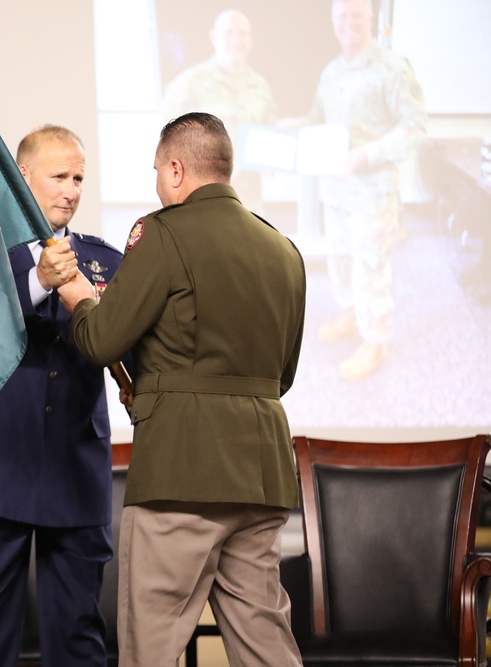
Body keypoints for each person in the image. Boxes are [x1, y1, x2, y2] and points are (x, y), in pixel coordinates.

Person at [58, 112, 306, 667]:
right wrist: (156, 382)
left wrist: (79, 296)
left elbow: (101, 340)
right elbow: (280, 376)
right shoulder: (283, 248)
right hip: (261, 473)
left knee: (153, 643)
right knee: (265, 642)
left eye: (155, 171)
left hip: (181, 471)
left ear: (176, 169)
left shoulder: (162, 233)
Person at [0, 124, 124, 666]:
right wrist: (40, 283)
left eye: (78, 177)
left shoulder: (105, 260)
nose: (71, 189)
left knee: (78, 631)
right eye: (59, 176)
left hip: (75, 467)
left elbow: (118, 343)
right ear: (22, 177)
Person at [281, 0, 426, 380]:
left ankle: (375, 341)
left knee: (371, 264)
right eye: (342, 16)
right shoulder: (332, 72)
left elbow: (414, 125)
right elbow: (319, 119)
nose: (349, 22)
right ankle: (352, 312)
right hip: (337, 189)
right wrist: (296, 125)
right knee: (341, 258)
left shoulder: (392, 67)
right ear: (333, 22)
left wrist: (367, 154)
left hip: (372, 190)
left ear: (371, 19)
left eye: (356, 15)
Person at [159, 8, 277, 213]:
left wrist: (271, 160)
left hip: (248, 204)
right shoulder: (188, 84)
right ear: (214, 36)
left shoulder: (261, 87)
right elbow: (167, 144)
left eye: (243, 34)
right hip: (202, 201)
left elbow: (270, 133)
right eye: (229, 32)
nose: (237, 40)